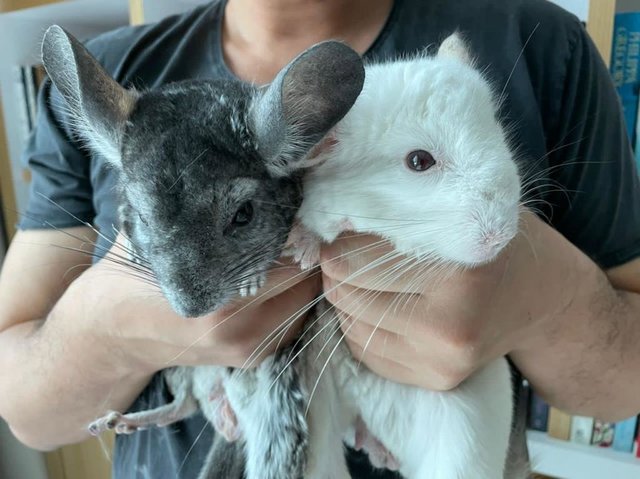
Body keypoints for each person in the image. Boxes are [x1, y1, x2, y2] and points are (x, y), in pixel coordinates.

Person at [1, 0, 639, 477]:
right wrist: (106, 325)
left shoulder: (541, 46)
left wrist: (546, 299)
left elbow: (624, 390)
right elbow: (23, 407)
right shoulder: (118, 67)